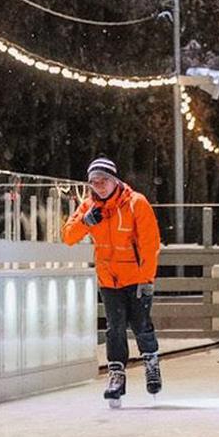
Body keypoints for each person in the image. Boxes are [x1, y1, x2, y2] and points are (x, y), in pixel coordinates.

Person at [63, 156, 162, 403]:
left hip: (136, 277)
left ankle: (151, 362)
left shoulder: (136, 204)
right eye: (94, 182)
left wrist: (147, 278)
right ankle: (116, 375)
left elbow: (150, 244)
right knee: (114, 329)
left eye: (104, 180)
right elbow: (68, 236)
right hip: (109, 280)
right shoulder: (88, 208)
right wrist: (86, 222)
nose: (100, 186)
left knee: (141, 325)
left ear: (115, 180)